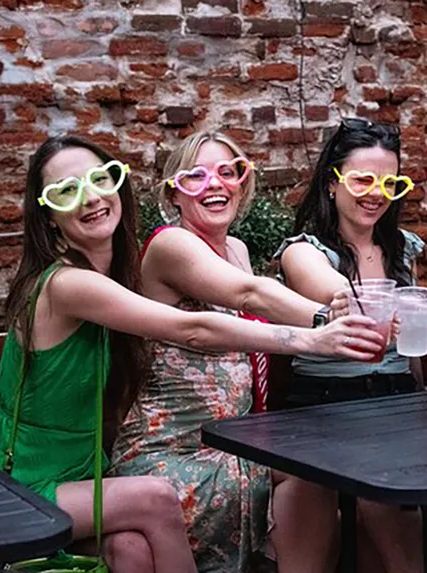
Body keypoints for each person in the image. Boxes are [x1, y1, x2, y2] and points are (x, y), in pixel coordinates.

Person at [0, 135, 385, 573]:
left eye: (99, 179)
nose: (90, 197)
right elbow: (195, 328)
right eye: (67, 190)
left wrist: (328, 319)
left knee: (132, 546)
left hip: (87, 468)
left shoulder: (116, 273)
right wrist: (318, 331)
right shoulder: (70, 283)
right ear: (48, 215)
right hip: (26, 476)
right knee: (156, 497)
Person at [110, 131, 358, 573]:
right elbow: (250, 294)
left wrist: (350, 314)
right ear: (174, 192)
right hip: (171, 452)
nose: (216, 185)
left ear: (243, 185)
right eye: (197, 176)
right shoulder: (170, 244)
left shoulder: (238, 250)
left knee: (315, 478)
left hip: (234, 445)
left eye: (229, 172)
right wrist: (326, 319)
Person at [273, 117, 424, 573]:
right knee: (332, 496)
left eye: (389, 182)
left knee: (390, 513)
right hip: (323, 406)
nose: (376, 192)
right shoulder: (305, 251)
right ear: (333, 183)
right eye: (363, 179)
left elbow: (424, 354)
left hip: (397, 402)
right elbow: (337, 295)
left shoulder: (404, 251)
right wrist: (374, 304)